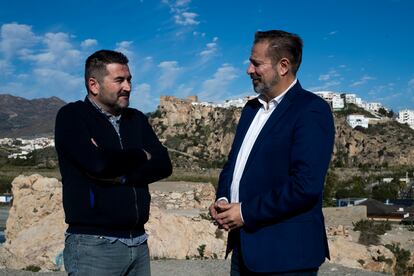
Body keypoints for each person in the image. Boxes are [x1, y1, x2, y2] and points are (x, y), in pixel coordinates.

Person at [209, 30, 335, 275]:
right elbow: (233, 166)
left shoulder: (311, 110)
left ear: (283, 66)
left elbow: (305, 185)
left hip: (285, 258)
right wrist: (223, 199)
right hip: (244, 250)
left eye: (256, 63)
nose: (249, 70)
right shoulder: (250, 109)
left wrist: (245, 212)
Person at [55, 49, 172, 275]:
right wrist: (140, 154)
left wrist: (123, 175)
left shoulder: (136, 118)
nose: (128, 87)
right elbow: (97, 164)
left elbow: (164, 165)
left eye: (129, 80)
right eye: (119, 80)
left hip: (138, 243)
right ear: (94, 85)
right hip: (94, 245)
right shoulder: (72, 116)